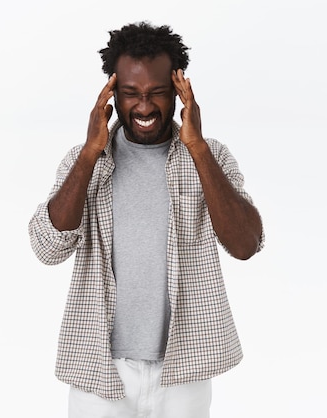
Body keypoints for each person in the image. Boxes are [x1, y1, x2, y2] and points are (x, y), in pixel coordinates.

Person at [28, 21, 264, 417]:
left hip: (184, 368)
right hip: (100, 368)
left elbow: (245, 246)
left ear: (178, 91)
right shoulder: (84, 161)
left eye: (157, 92)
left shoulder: (212, 157)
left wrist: (198, 147)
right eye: (130, 93)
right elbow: (46, 248)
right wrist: (89, 154)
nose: (144, 106)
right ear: (112, 95)